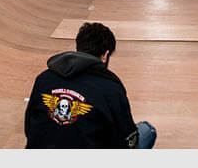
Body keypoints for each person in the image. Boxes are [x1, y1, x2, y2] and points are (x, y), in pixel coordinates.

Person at [24, 22, 156, 149]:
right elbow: (125, 141)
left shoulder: (44, 78)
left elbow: (29, 128)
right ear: (105, 55)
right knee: (147, 130)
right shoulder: (111, 88)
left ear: (79, 48)